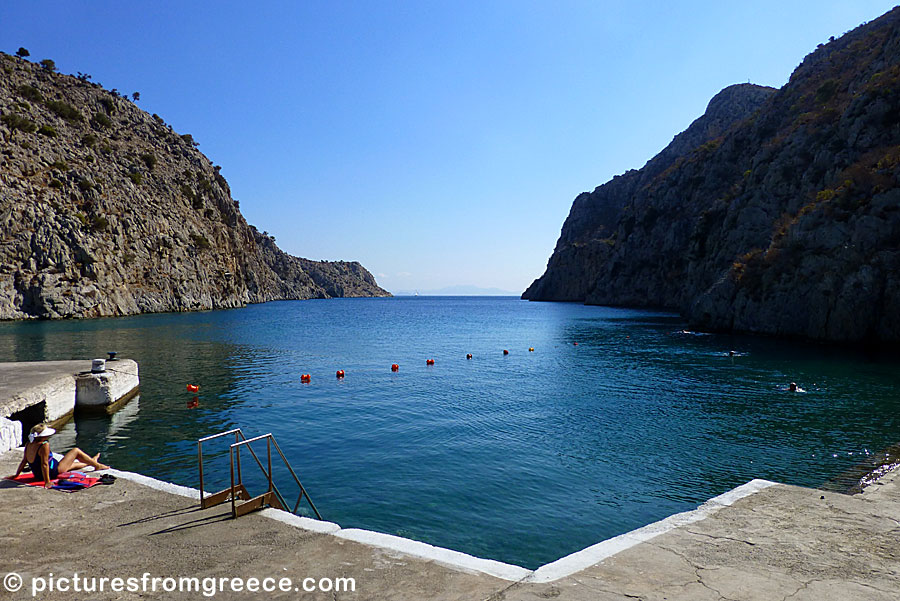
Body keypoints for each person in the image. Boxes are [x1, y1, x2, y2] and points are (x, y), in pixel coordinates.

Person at [11, 424, 109, 489]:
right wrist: (47, 482)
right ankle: (96, 465)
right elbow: (44, 464)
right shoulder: (44, 445)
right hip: (53, 470)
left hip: (38, 474)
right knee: (76, 451)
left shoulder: (29, 443)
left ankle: (92, 461)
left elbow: (24, 461)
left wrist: (16, 475)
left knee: (73, 465)